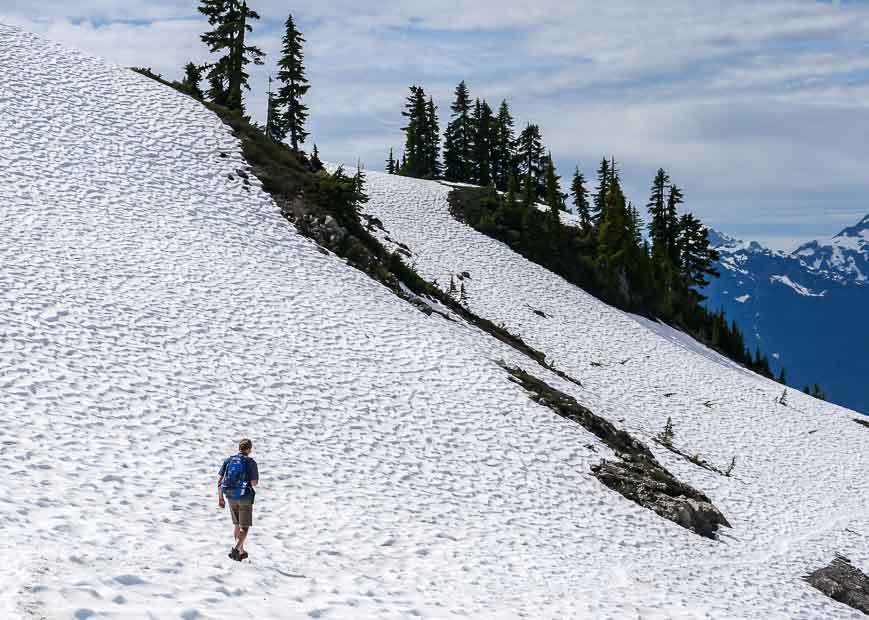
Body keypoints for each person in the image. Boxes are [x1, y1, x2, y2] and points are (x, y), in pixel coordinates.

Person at [218, 438, 259, 561]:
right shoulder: (250, 462)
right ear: (249, 449)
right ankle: (235, 550)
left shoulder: (229, 460)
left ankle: (241, 551)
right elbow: (254, 482)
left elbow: (219, 481)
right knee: (244, 527)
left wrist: (220, 498)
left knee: (236, 524)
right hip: (245, 496)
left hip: (230, 496)